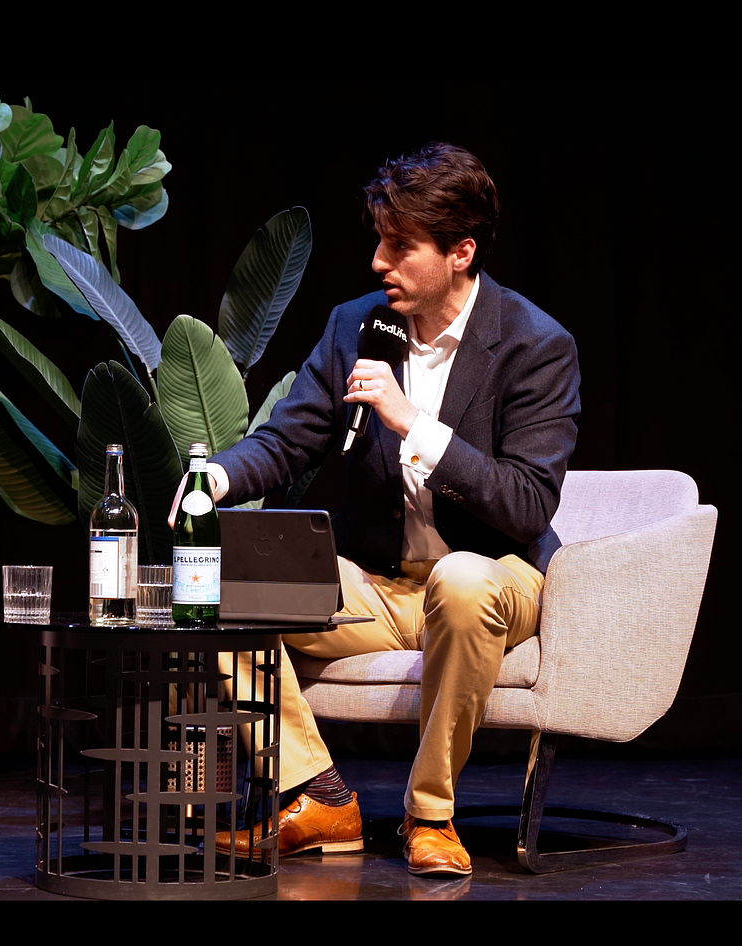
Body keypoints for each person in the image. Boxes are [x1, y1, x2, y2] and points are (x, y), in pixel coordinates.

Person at [190, 144, 581, 877]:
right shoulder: (356, 326)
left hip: (495, 581)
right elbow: (289, 439)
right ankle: (317, 794)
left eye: (401, 246)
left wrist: (414, 425)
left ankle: (430, 815)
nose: (379, 261)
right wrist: (213, 479)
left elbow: (527, 504)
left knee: (461, 581)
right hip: (382, 585)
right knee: (209, 587)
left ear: (460, 252)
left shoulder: (535, 344)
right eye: (379, 240)